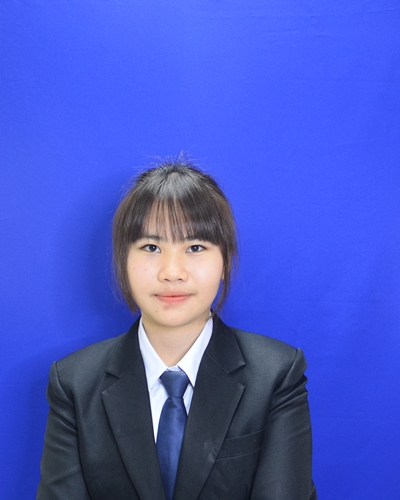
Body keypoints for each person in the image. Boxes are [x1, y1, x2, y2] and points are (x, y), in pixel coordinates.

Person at [37, 156, 317, 500]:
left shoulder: (276, 375)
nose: (172, 272)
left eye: (195, 247)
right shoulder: (74, 383)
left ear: (225, 261)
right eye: (151, 247)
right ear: (123, 260)